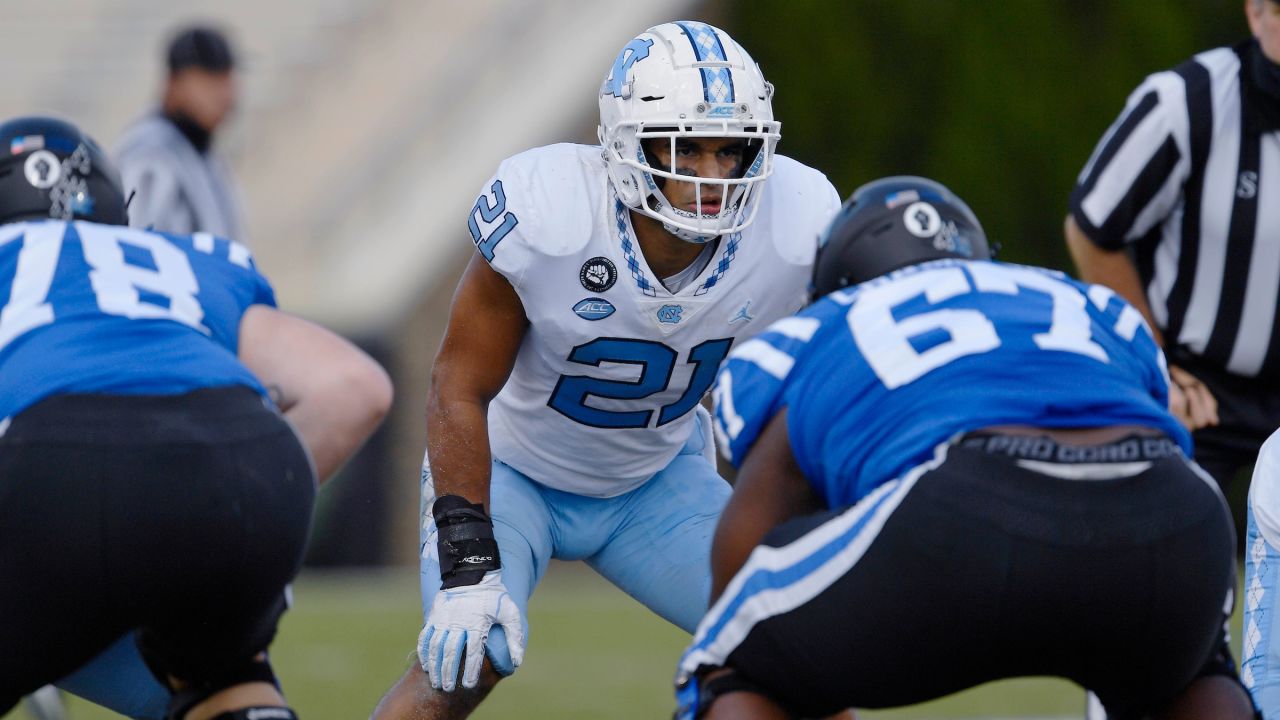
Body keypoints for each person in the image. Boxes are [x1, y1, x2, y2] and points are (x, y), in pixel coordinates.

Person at [370, 20, 840, 720]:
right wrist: (469, 564)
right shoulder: (552, 214)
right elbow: (457, 385)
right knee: (466, 661)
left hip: (654, 481)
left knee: (805, 651)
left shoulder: (797, 225)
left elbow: (811, 397)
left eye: (730, 150)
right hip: (513, 473)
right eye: (686, 148)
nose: (711, 176)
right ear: (627, 144)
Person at [672, 176, 1256, 720]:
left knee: (730, 663)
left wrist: (767, 663)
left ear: (837, 278)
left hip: (963, 507)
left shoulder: (817, 327)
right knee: (1195, 672)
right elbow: (1145, 413)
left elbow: (748, 545)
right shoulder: (1080, 300)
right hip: (1174, 511)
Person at [0, 115, 393, 719]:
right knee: (225, 688)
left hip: (60, 476)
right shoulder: (182, 257)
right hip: (243, 467)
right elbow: (354, 387)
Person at [1064, 0, 1280, 492]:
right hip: (1197, 389)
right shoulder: (1188, 100)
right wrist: (1156, 364)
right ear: (1255, 13)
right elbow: (1092, 227)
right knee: (1169, 546)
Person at [114, 25, 248, 242]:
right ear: (174, 82)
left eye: (227, 78)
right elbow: (137, 245)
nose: (225, 93)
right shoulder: (149, 155)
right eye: (209, 79)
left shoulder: (202, 151)